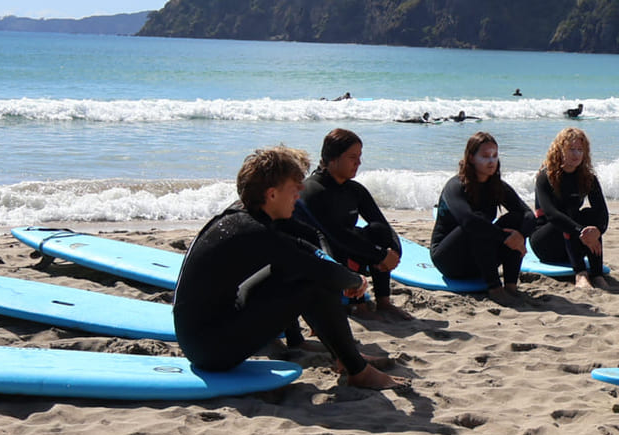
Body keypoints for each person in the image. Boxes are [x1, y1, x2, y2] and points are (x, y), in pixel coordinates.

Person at [172, 145, 399, 389]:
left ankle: (345, 357)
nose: (298, 196)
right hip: (210, 350)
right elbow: (316, 269)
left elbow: (303, 241)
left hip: (206, 333)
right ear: (272, 194)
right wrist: (356, 282)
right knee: (314, 281)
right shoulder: (252, 231)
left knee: (301, 270)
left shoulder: (246, 215)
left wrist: (342, 274)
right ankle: (357, 370)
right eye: (294, 189)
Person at [301, 128, 408, 319]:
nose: (358, 163)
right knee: (340, 243)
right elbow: (335, 235)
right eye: (352, 157)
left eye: (359, 156)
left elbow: (382, 224)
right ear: (333, 158)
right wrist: (381, 255)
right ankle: (357, 305)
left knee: (378, 232)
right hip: (322, 255)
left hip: (348, 251)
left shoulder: (354, 189)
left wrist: (393, 253)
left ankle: (383, 302)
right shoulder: (313, 191)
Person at [431, 131, 536, 299]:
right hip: (450, 260)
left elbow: (529, 215)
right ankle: (495, 288)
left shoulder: (496, 186)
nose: (491, 161)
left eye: (494, 156)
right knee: (477, 222)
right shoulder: (455, 186)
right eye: (486, 156)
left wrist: (520, 236)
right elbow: (468, 221)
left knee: (516, 218)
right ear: (471, 158)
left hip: (479, 261)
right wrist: (504, 237)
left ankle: (510, 286)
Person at [531, 126, 609, 289]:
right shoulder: (546, 177)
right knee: (570, 216)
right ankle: (580, 274)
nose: (576, 154)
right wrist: (581, 231)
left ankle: (597, 274)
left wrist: (597, 231)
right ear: (560, 150)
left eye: (580, 150)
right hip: (546, 243)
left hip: (573, 242)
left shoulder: (588, 178)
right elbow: (552, 215)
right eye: (571, 149)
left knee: (589, 216)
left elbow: (602, 213)